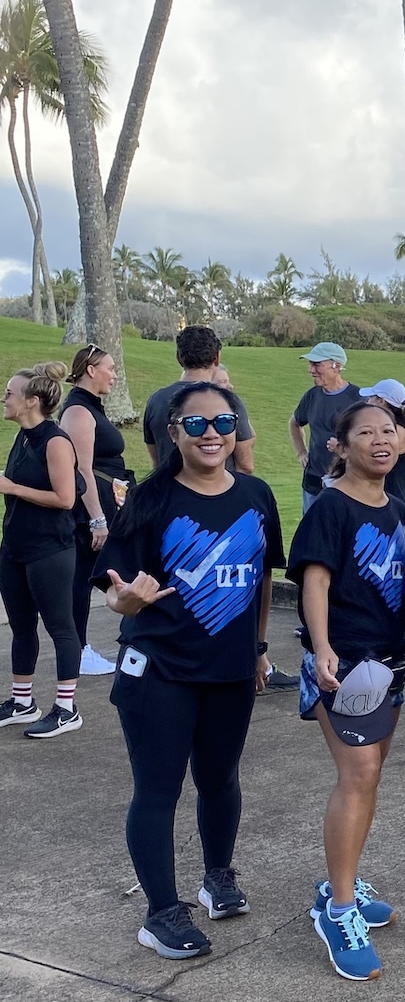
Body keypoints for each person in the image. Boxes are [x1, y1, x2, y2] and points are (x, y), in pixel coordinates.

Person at [92, 381, 283, 960]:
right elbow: (114, 587)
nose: (211, 434)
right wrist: (124, 603)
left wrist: (258, 648)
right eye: (195, 424)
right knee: (158, 788)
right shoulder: (150, 499)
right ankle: (161, 913)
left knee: (221, 778)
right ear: (173, 432)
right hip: (160, 669)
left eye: (223, 423)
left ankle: (217, 877)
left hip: (230, 669)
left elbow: (262, 579)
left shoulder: (256, 495)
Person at [288, 401, 405, 981]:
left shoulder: (398, 509)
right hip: (342, 664)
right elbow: (314, 581)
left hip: (388, 664)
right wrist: (321, 648)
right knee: (357, 775)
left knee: (372, 775)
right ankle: (338, 911)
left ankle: (345, 882)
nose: (380, 440)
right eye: (366, 432)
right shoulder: (330, 507)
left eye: (389, 431)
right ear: (339, 445)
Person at [0, 363, 84, 738]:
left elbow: (65, 499)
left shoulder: (55, 441)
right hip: (15, 546)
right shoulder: (23, 436)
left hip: (50, 549)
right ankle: (22, 702)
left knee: (60, 628)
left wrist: (11, 488)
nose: (4, 399)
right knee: (21, 627)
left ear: (32, 401)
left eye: (9, 393)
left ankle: (67, 709)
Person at [61, 344, 135, 676]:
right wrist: (97, 519)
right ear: (91, 370)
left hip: (107, 506)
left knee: (101, 574)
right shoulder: (78, 411)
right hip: (92, 513)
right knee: (83, 578)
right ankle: (77, 651)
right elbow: (82, 469)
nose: (114, 375)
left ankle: (83, 648)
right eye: (110, 368)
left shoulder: (90, 407)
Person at [144, 326, 257, 475]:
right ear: (216, 358)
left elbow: (157, 460)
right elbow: (245, 465)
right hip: (217, 487)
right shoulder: (226, 401)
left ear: (179, 358)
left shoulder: (156, 401)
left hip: (168, 487)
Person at [289, 342, 363, 514]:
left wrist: (344, 446)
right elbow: (294, 423)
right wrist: (301, 452)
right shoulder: (312, 396)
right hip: (313, 483)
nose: (310, 370)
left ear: (336, 365)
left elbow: (368, 439)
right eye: (310, 364)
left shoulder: (357, 399)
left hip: (346, 482)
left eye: (316, 364)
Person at [361, 379, 405, 508]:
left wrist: (343, 447)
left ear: (381, 401)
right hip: (387, 500)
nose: (368, 402)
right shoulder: (398, 427)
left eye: (371, 398)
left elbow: (367, 455)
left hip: (390, 503)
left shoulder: (396, 431)